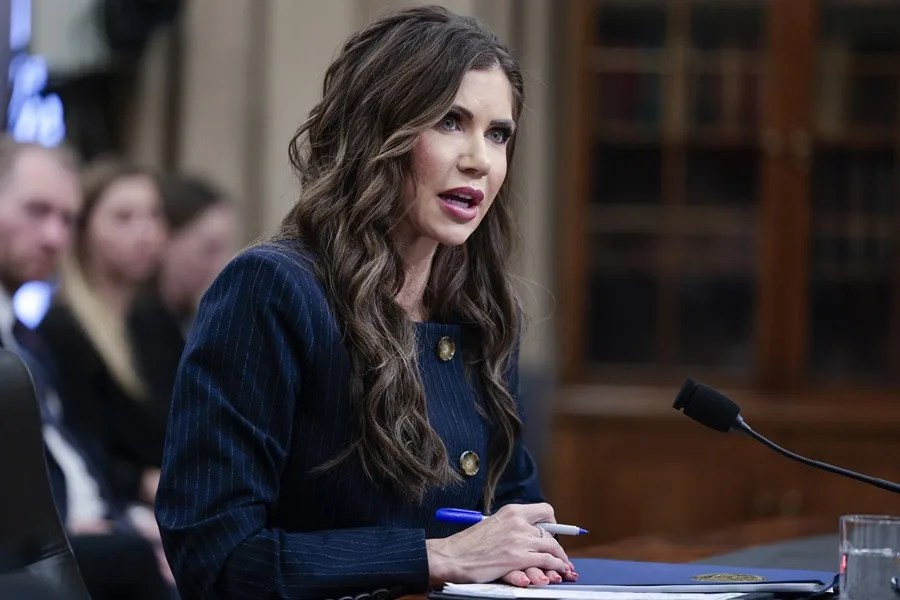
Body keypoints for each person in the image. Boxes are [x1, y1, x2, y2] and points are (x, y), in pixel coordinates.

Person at [155, 6, 578, 598]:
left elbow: (507, 512)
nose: (480, 159)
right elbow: (217, 559)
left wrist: (527, 551)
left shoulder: (482, 311)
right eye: (450, 122)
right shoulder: (270, 290)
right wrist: (436, 557)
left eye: (498, 133)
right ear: (379, 131)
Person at [0, 137, 171, 599]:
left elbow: (74, 454)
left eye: (67, 219)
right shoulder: (54, 330)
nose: (55, 236)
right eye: (37, 211)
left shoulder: (25, 337)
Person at [39, 158, 169, 507]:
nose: (146, 231)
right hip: (115, 507)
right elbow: (78, 443)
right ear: (83, 231)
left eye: (154, 215)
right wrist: (144, 484)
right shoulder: (60, 329)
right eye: (124, 217)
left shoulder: (154, 320)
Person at [129, 173, 237, 410]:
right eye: (209, 249)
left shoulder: (190, 322)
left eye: (225, 249)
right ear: (165, 239)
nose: (222, 265)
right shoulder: (137, 326)